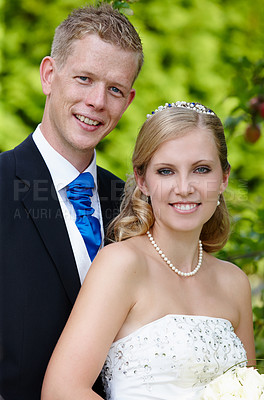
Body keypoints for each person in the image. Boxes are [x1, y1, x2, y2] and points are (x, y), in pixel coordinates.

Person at [40, 101, 256, 400]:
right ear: (143, 181)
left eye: (201, 169)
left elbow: (248, 388)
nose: (184, 187)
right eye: (166, 171)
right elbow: (61, 391)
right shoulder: (122, 264)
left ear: (223, 179)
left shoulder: (234, 282)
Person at [0, 4, 143, 400]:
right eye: (84, 79)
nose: (97, 101)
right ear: (49, 75)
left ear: (127, 101)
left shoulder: (137, 206)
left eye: (114, 89)